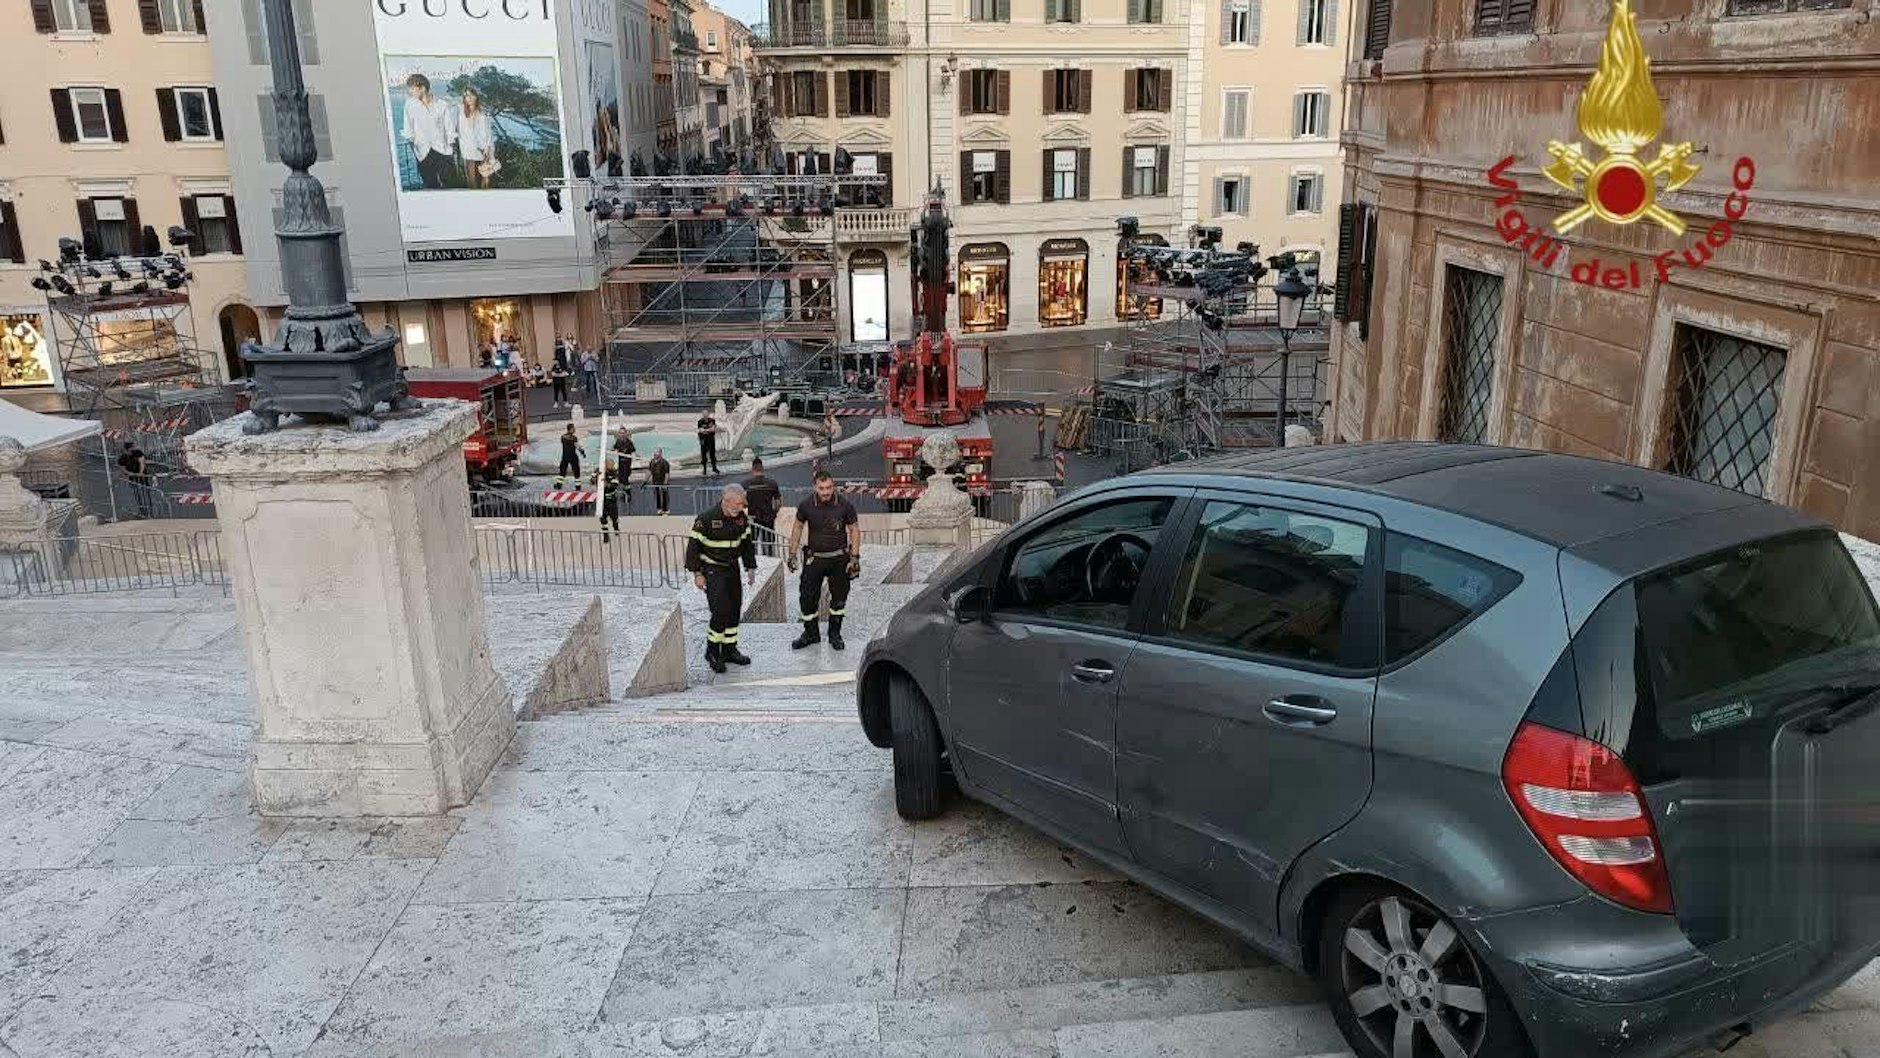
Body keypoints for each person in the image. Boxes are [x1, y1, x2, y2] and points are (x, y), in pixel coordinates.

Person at [685, 483, 757, 673]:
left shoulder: (741, 519)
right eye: (738, 504)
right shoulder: (706, 519)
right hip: (713, 571)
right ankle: (712, 651)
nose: (741, 508)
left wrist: (750, 567)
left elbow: (747, 544)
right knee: (720, 611)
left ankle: (729, 650)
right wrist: (697, 574)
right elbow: (693, 549)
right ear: (726, 501)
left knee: (734, 610)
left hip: (732, 569)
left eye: (742, 504)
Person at [787, 470, 861, 651]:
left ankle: (834, 634)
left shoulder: (845, 505)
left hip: (839, 560)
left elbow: (854, 530)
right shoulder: (806, 505)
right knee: (807, 598)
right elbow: (797, 528)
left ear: (833, 485)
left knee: (839, 600)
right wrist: (792, 554)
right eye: (822, 488)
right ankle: (811, 634)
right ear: (815, 487)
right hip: (814, 560)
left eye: (829, 487)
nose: (826, 492)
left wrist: (855, 557)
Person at [401, 73, 458, 190]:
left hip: (443, 151)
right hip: (423, 153)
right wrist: (417, 153)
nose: (410, 92)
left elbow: (449, 129)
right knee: (431, 187)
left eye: (412, 89)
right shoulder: (409, 105)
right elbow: (408, 131)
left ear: (422, 88)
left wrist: (451, 150)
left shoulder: (442, 104)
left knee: (452, 185)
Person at [740, 457, 783, 556]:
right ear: (762, 468)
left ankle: (754, 562)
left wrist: (748, 505)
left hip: (753, 519)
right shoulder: (772, 483)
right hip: (768, 517)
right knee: (768, 543)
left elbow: (742, 501)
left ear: (753, 469)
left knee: (752, 542)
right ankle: (770, 560)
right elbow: (778, 503)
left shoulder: (745, 484)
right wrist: (774, 513)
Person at [458, 87, 497, 189]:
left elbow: (488, 133)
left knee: (485, 179)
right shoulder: (461, 114)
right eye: (466, 96)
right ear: (464, 99)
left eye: (472, 95)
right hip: (469, 151)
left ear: (476, 97)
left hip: (483, 150)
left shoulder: (482, 114)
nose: (469, 98)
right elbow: (458, 131)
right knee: (472, 181)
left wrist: (488, 148)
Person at [117, 442, 153, 518]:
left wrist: (141, 472)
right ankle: (142, 511)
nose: (134, 448)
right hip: (133, 478)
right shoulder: (122, 458)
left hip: (142, 477)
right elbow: (123, 469)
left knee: (146, 493)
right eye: (132, 447)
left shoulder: (138, 453)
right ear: (128, 449)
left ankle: (150, 510)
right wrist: (131, 474)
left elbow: (142, 463)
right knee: (137, 494)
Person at [595, 462, 623, 541]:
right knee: (603, 518)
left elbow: (614, 485)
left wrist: (606, 483)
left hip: (611, 500)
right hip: (602, 500)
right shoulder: (598, 471)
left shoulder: (614, 473)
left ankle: (616, 528)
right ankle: (605, 535)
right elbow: (592, 480)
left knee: (614, 517)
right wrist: (596, 477)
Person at [695, 409, 720, 475]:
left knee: (712, 454)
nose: (705, 415)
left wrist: (706, 430)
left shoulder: (712, 420)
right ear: (703, 415)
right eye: (704, 414)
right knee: (704, 455)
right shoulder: (700, 421)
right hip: (703, 440)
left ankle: (714, 468)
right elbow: (701, 430)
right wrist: (709, 430)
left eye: (706, 414)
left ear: (708, 414)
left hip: (711, 439)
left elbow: (713, 429)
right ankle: (704, 469)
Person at [647, 447, 671, 515]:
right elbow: (649, 471)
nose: (655, 455)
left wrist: (665, 483)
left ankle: (665, 509)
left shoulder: (665, 463)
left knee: (664, 495)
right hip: (655, 482)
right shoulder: (652, 462)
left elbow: (667, 474)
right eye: (654, 454)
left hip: (663, 481)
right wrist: (645, 481)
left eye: (656, 454)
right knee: (657, 495)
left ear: (660, 454)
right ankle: (659, 509)